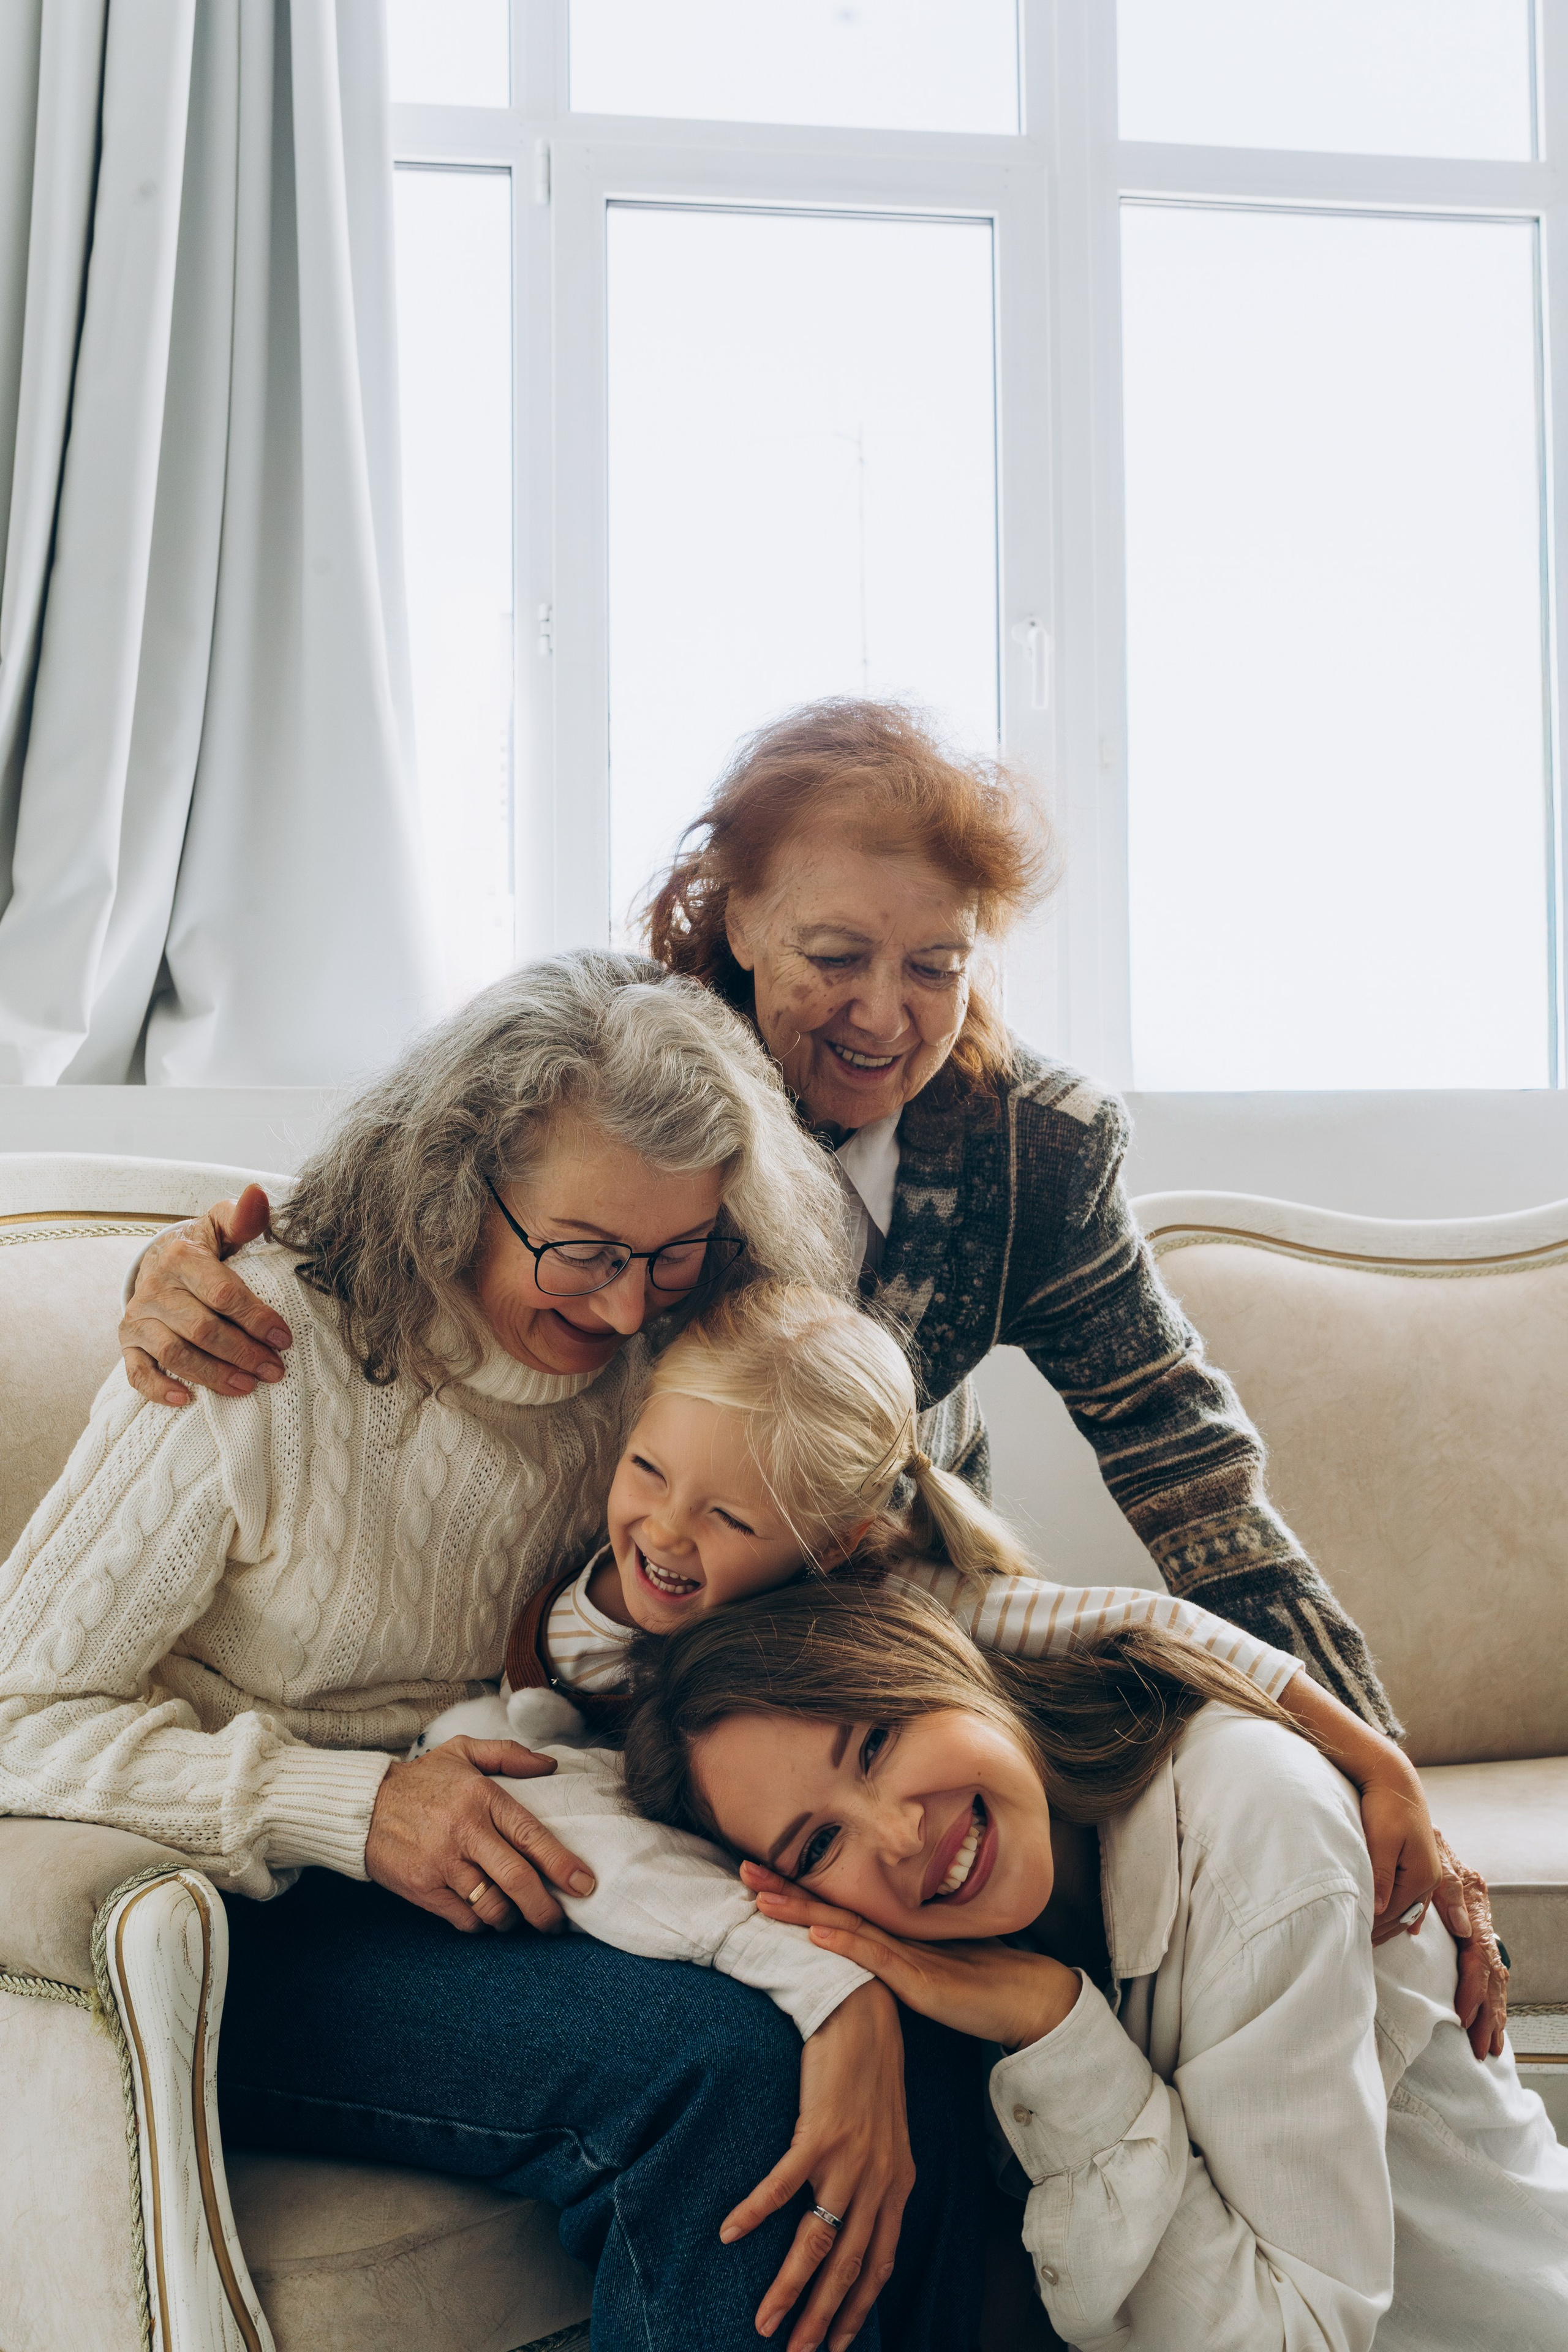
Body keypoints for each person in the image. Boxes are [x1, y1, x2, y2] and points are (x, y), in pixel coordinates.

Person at [114, 699, 1509, 2048]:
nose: (885, 1018)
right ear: (733, 919)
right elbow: (414, 1211)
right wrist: (181, 1273)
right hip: (646, 1679)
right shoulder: (638, 1083)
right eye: (834, 956)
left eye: (937, 966)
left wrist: (1373, 1766)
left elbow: (1194, 1475)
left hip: (892, 1646)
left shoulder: (1037, 1153)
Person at [0, 953, 984, 2352]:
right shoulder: (252, 1346)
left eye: (675, 1252)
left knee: (935, 2024)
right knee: (718, 2079)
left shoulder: (666, 1358)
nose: (629, 1309)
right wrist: (348, 1809)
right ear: (454, 1179)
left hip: (527, 1850)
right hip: (252, 1911)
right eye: (583, 1252)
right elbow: (12, 1710)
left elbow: (892, 1495)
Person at [620, 1581, 1568, 2351]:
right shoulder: (953, 1955)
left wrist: (1059, 2031)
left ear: (942, 1663)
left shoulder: (1257, 1835)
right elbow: (530, 1769)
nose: (902, 1836)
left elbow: (1300, 2341)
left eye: (877, 1743)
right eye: (820, 1845)